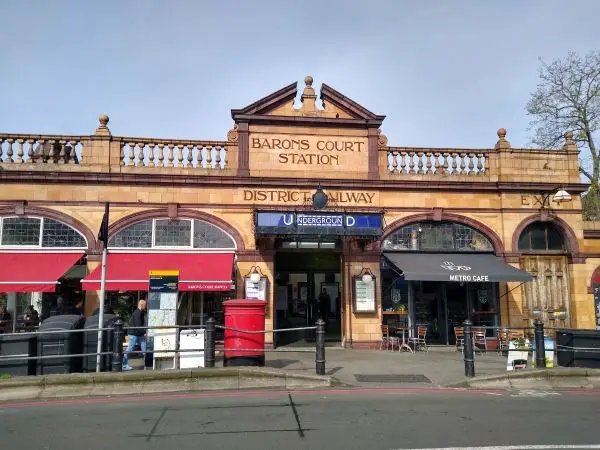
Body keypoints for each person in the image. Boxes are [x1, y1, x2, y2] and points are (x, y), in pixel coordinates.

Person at [122, 299, 147, 371]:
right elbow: (138, 326)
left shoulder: (140, 313)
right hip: (134, 334)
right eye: (145, 305)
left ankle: (146, 363)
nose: (146, 307)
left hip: (138, 334)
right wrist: (144, 332)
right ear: (142, 305)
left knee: (144, 348)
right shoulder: (137, 313)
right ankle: (124, 364)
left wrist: (143, 332)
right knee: (130, 348)